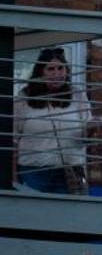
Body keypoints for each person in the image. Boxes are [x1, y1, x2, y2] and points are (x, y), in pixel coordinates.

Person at [15, 48, 96, 194]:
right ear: (41, 72)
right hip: (34, 170)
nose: (56, 73)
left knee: (67, 214)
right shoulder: (24, 97)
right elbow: (13, 136)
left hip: (69, 171)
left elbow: (86, 134)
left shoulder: (77, 95)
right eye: (50, 69)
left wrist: (93, 127)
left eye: (60, 68)